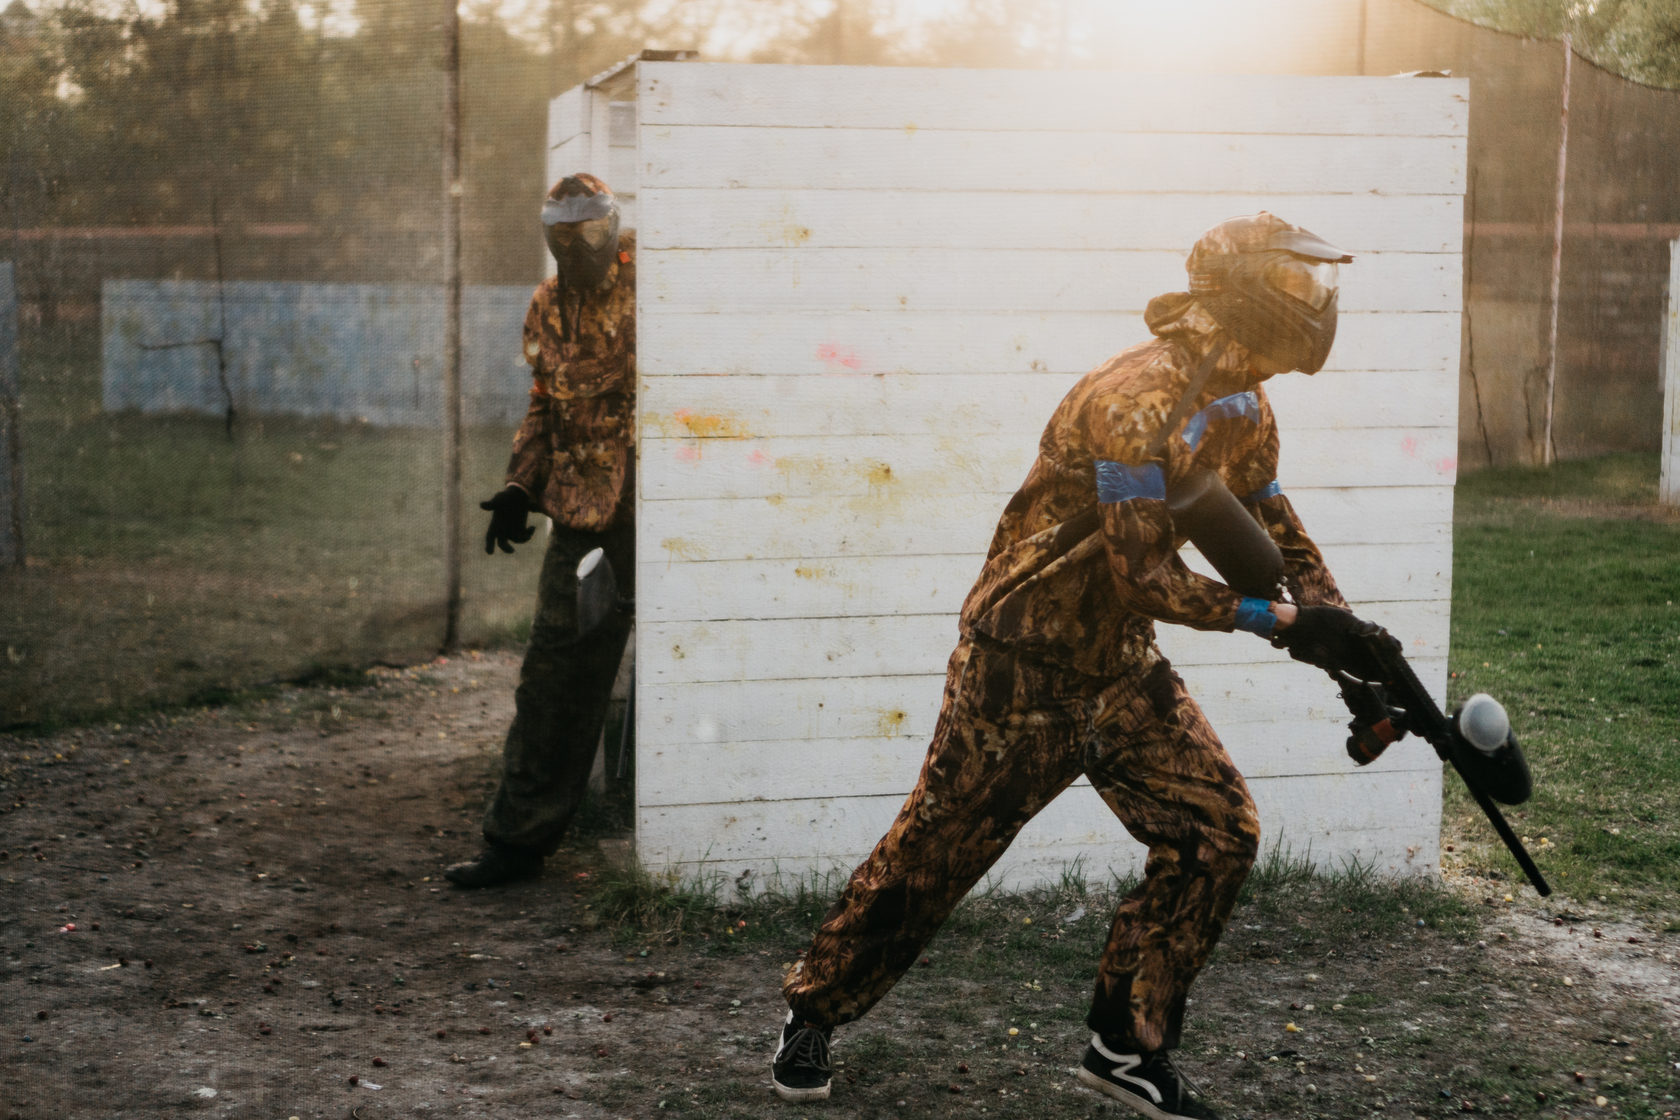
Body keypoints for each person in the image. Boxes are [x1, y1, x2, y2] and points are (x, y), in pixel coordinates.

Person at [771, 212, 1390, 1119]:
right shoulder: (1136, 398)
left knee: (1217, 832)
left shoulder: (1246, 405)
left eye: (1322, 287)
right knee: (932, 859)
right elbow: (1142, 575)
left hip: (1117, 669)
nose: (1319, 304)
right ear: (1244, 288)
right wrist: (1278, 620)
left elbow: (1275, 529)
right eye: (1301, 285)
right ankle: (812, 1010)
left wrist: (1345, 635)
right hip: (1016, 671)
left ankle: (1124, 1048)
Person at [444, 172, 636, 889]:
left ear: (612, 227)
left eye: (589, 232)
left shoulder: (660, 280)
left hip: (662, 513)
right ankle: (515, 846)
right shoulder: (549, 305)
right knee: (552, 678)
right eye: (564, 237)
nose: (578, 247)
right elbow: (542, 407)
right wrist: (521, 486)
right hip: (587, 516)